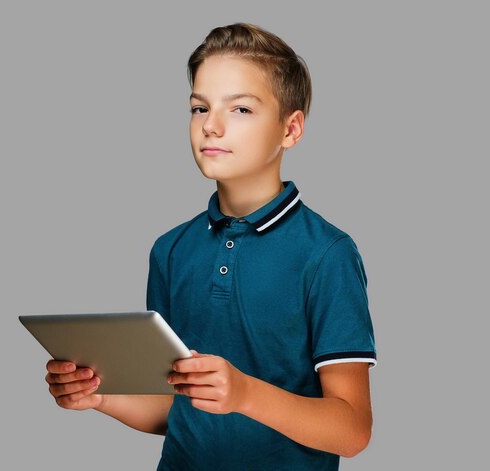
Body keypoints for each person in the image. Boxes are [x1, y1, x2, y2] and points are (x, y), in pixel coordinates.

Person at [44, 22, 377, 470]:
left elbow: (352, 430)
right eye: (199, 108)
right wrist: (101, 395)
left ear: (291, 129)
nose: (212, 127)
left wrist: (245, 393)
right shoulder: (170, 249)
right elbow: (175, 406)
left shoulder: (327, 254)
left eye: (240, 109)